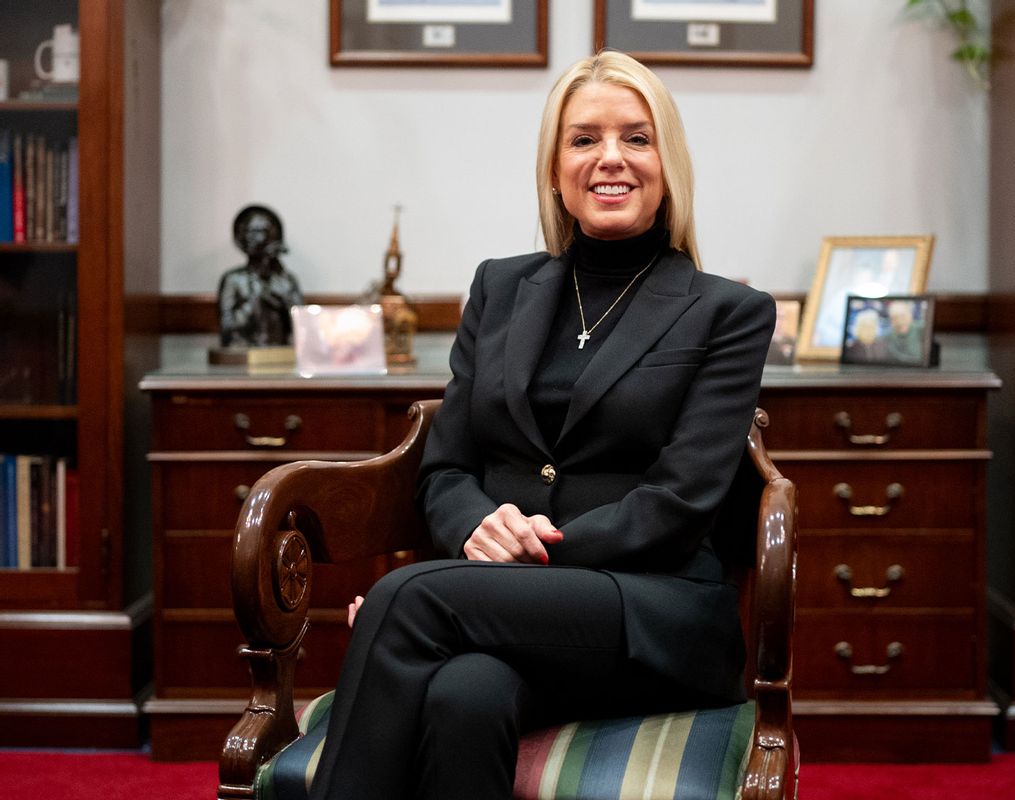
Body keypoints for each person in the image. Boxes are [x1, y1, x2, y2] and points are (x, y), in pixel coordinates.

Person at [307, 51, 775, 800]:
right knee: (467, 696)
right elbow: (447, 468)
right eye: (584, 139)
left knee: (406, 598)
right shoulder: (499, 287)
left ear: (668, 162)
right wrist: (472, 535)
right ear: (556, 168)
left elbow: (680, 503)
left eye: (637, 137)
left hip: (648, 612)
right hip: (506, 615)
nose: (610, 159)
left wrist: (512, 560)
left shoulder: (728, 312)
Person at [216, 204, 304, 347]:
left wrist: (285, 299)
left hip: (279, 354)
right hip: (243, 355)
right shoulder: (233, 280)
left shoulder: (286, 281)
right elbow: (227, 329)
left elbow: (302, 329)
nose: (250, 237)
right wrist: (255, 299)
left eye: (258, 231)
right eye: (247, 231)